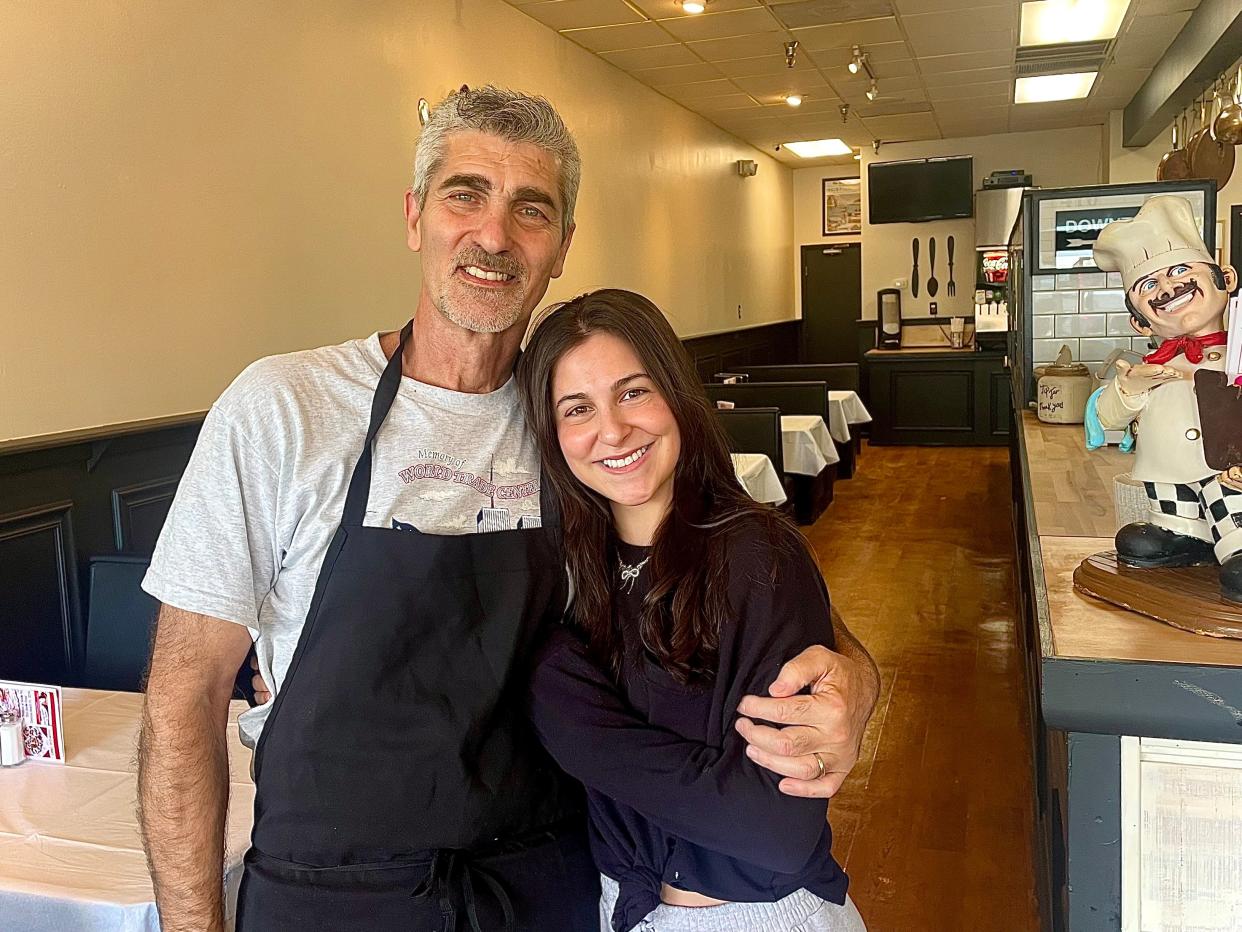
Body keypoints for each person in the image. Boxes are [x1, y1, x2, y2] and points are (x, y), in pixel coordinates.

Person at [138, 85, 879, 932]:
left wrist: (857, 672)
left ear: (562, 245)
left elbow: (720, 558)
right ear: (414, 216)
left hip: (547, 885)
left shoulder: (578, 426)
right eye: (466, 195)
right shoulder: (284, 409)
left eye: (532, 210)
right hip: (333, 892)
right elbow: (184, 695)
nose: (494, 236)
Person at [518, 289, 867, 932]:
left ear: (676, 393)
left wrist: (555, 699)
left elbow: (772, 826)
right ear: (551, 432)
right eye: (577, 408)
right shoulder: (569, 571)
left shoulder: (756, 555)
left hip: (752, 919)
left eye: (632, 392)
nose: (613, 430)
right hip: (617, 906)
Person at [1088, 195, 1242, 602]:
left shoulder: (1238, 352)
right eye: (1149, 285)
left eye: (1179, 270)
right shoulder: (1146, 365)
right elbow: (1106, 418)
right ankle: (1183, 536)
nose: (1169, 287)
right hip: (1166, 475)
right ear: (1139, 322)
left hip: (1228, 473)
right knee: (1149, 535)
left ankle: (1235, 544)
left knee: (1232, 513)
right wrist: (1133, 388)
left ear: (1225, 278)